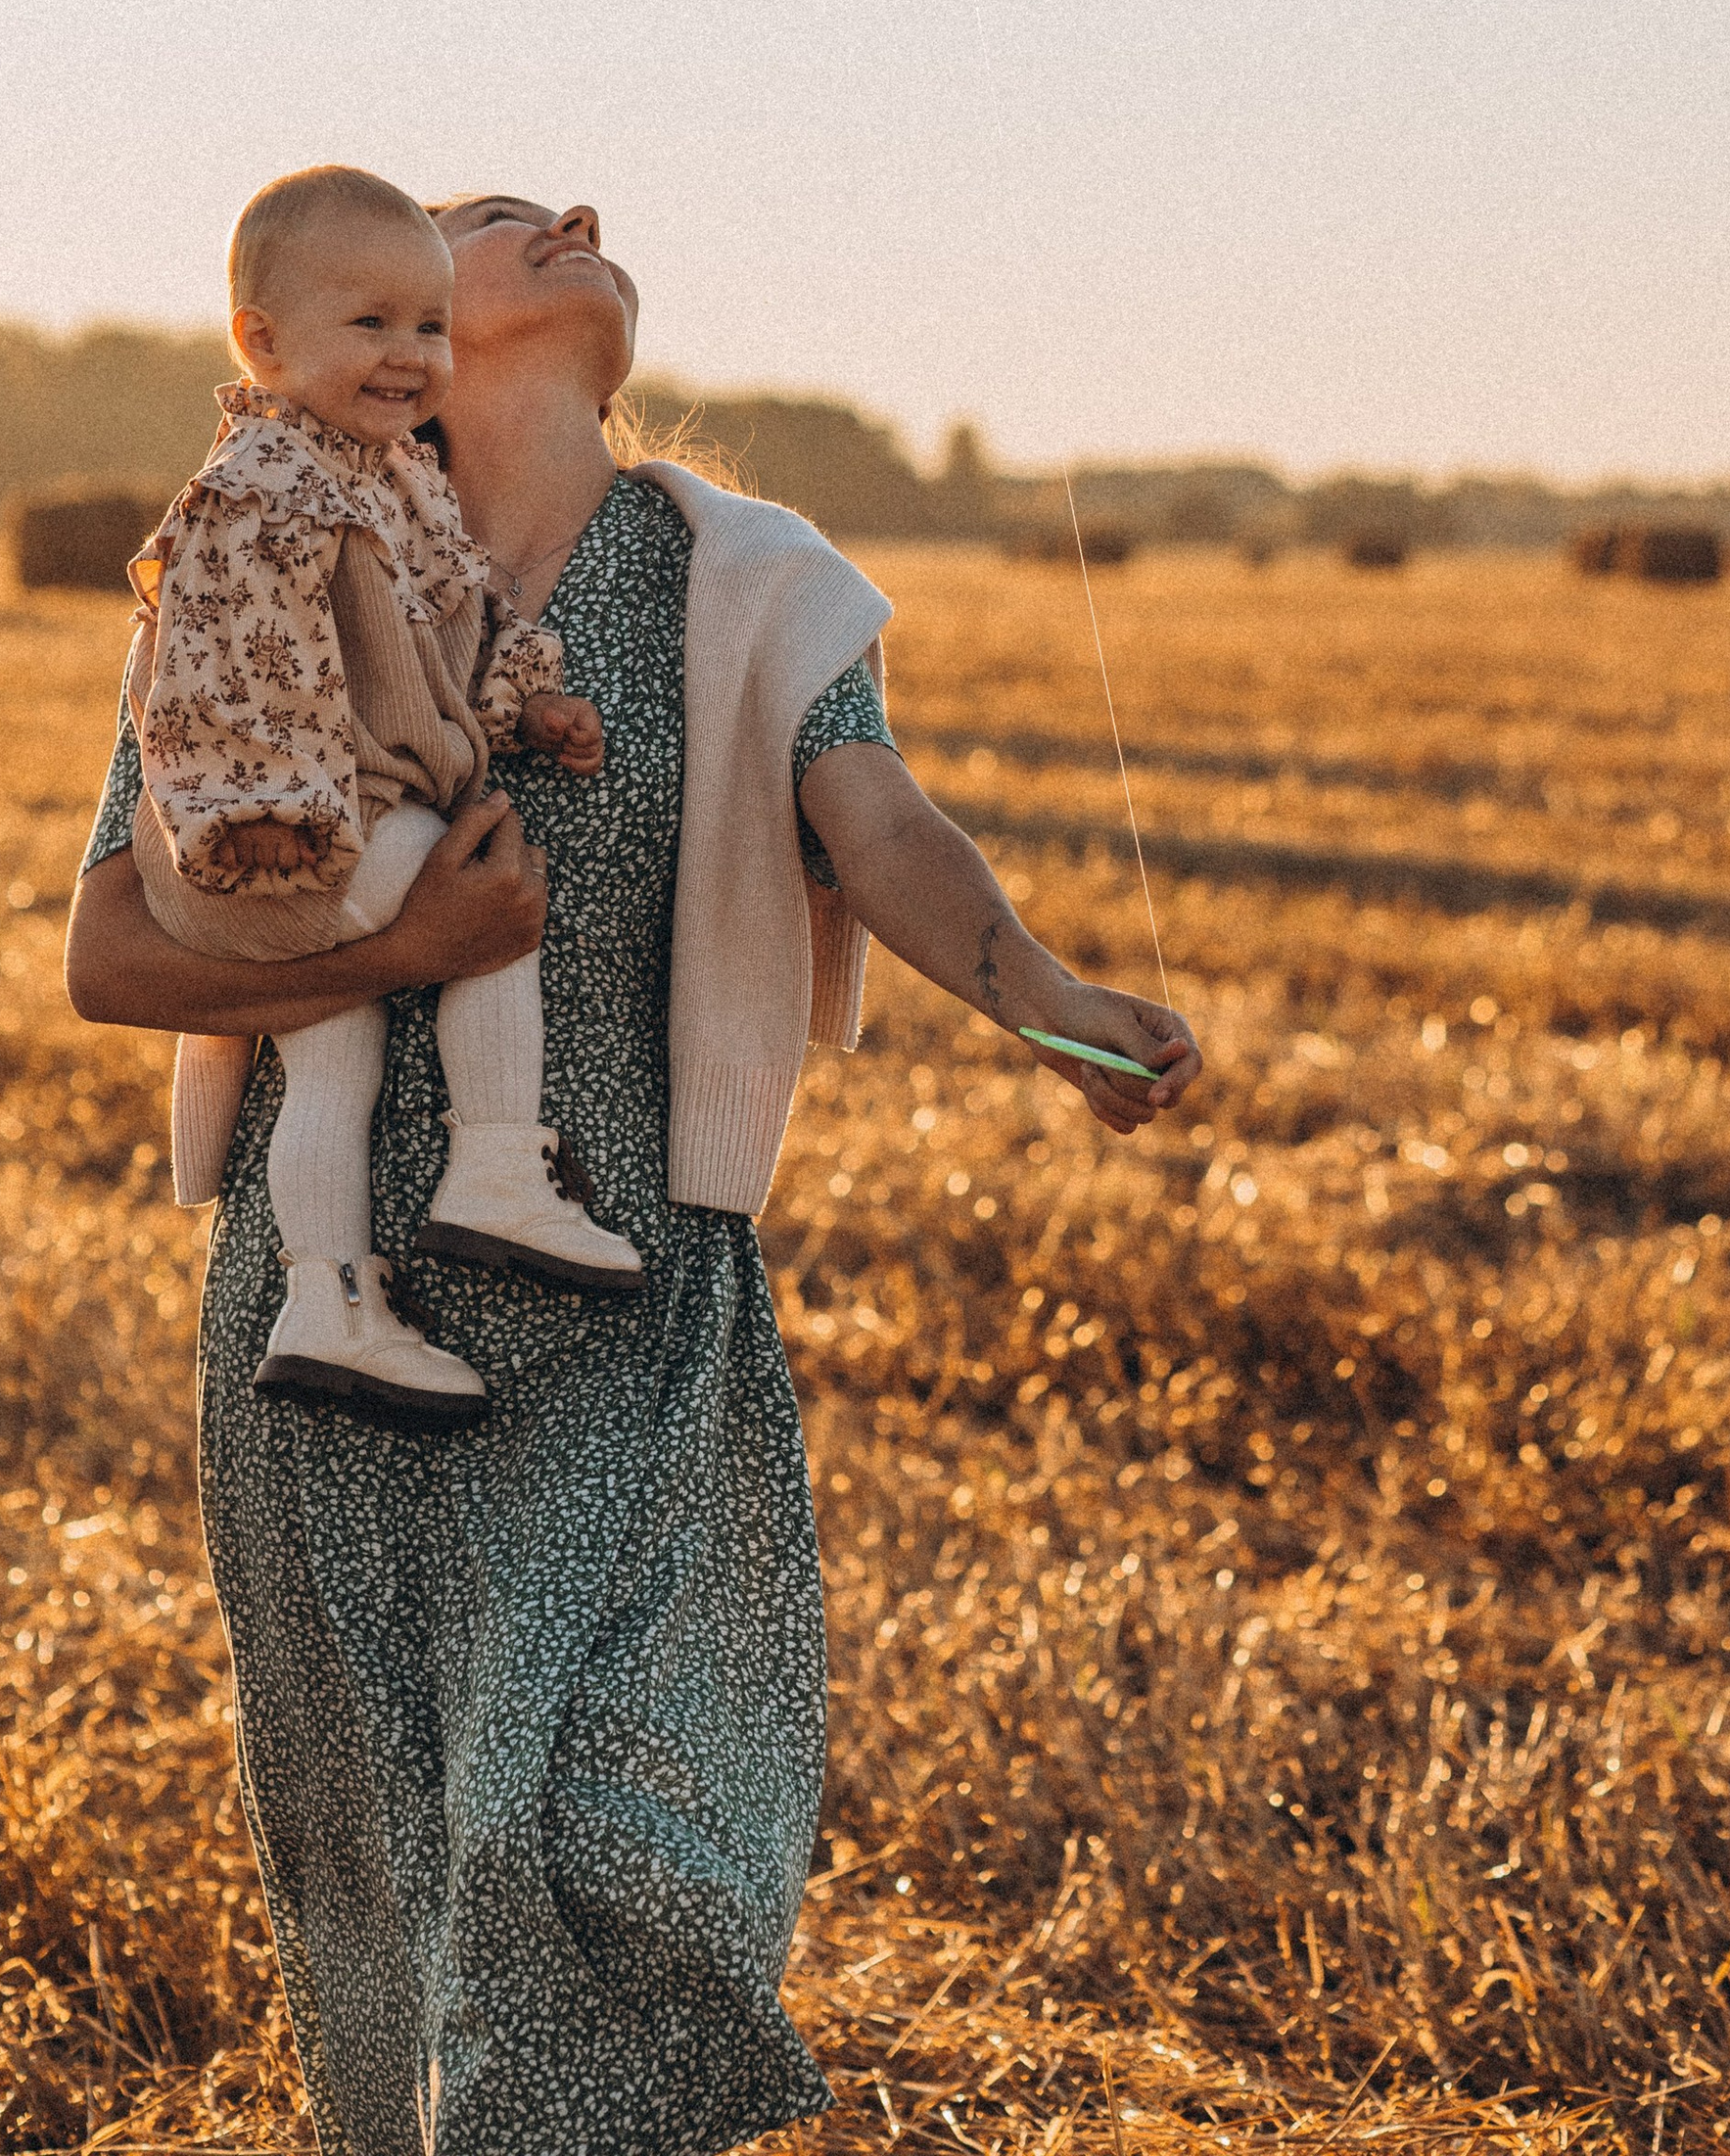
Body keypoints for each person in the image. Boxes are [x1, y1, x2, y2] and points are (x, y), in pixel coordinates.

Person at [65, 191, 1201, 2156]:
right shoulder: (263, 569)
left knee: (633, 1843)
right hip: (336, 1321)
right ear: (385, 324)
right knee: (400, 1872)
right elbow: (113, 952)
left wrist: (1042, 995)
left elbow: (878, 815)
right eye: (508, 218)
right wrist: (395, 961)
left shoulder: (744, 578)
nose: (579, 217)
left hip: (624, 1297)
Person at [126, 164, 636, 1433]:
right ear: (262, 338)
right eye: (372, 326)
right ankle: (498, 1168)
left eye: (427, 326)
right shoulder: (263, 483)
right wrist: (273, 807)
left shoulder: (385, 475)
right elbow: (213, 668)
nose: (411, 354)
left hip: (292, 835)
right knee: (493, 912)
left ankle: (326, 1303)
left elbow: (449, 623)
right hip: (301, 820)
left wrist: (525, 701)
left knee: (332, 1070)